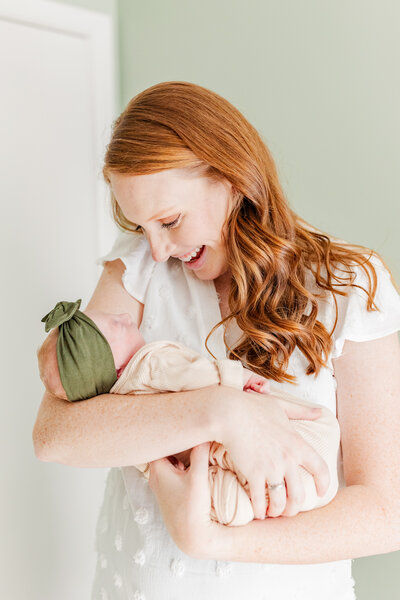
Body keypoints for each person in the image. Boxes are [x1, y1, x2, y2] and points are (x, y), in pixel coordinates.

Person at [32, 81, 400, 600]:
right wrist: (222, 412)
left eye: (170, 221)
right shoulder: (139, 267)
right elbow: (55, 436)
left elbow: (385, 512)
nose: (158, 249)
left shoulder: (349, 286)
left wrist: (210, 539)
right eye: (142, 226)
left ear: (230, 177)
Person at [37, 300, 340, 526]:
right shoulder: (152, 363)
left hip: (205, 470)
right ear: (115, 367)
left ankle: (239, 505)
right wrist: (238, 380)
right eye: (116, 325)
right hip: (256, 451)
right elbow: (199, 375)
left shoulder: (115, 411)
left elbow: (151, 465)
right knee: (319, 425)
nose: (126, 316)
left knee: (221, 492)